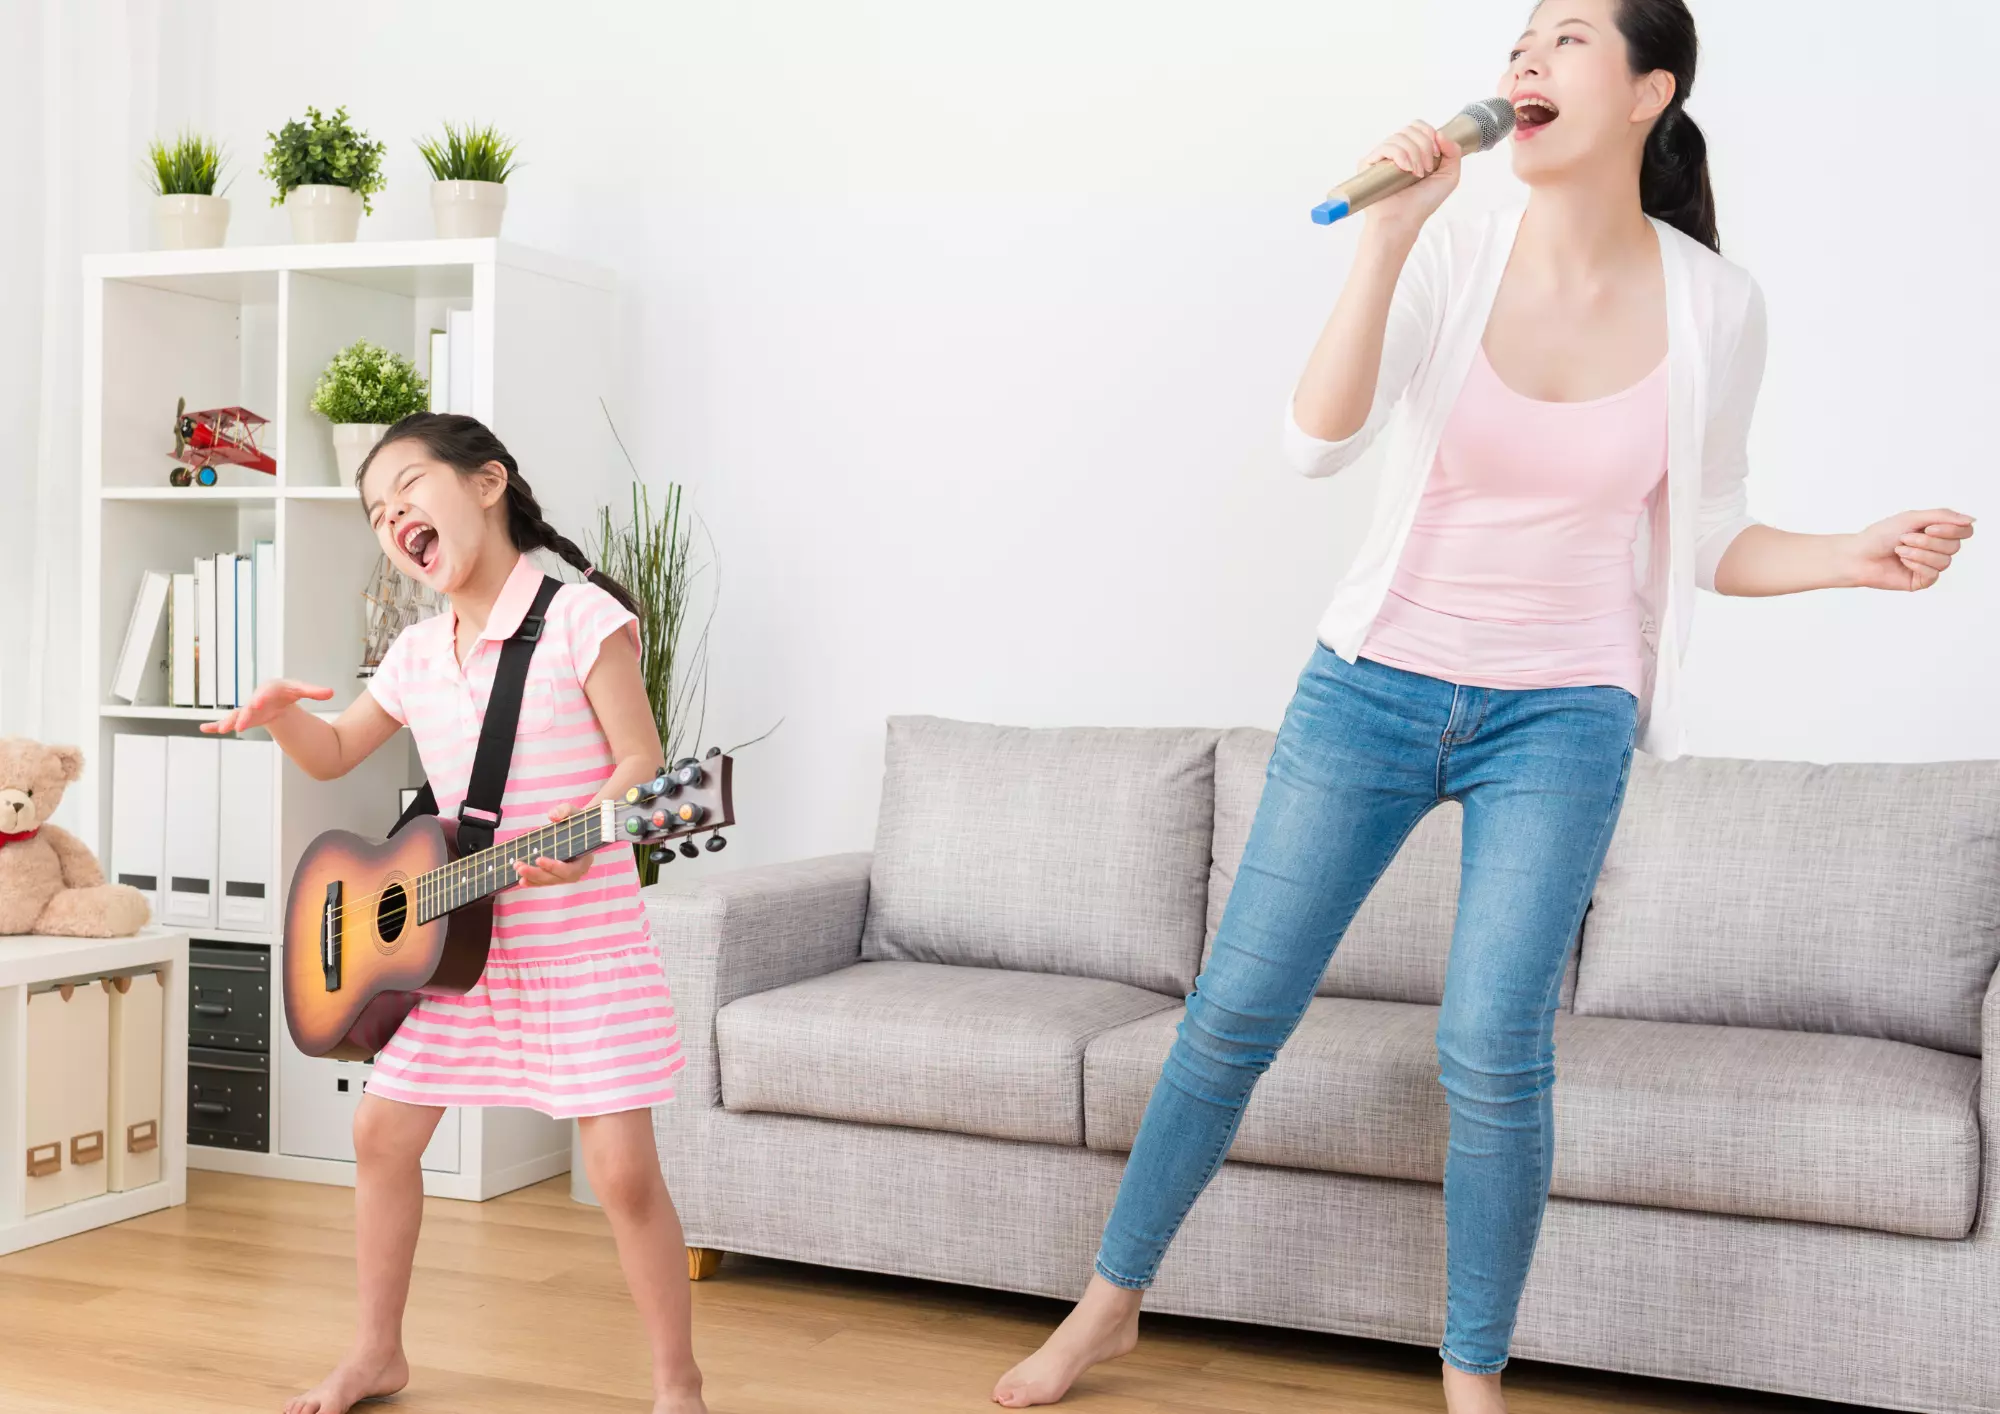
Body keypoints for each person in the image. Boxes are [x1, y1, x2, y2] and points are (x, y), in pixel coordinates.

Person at [993, 0, 1974, 1408]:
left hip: (1563, 712)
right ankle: (1108, 1306)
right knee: (1233, 1013)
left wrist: (1848, 556)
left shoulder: (1716, 305)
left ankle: (1472, 1380)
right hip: (1374, 685)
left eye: (1566, 39)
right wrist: (1388, 233)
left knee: (1489, 1046)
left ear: (1650, 92)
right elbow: (1314, 444)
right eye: (1520, 41)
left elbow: (1705, 531)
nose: (1525, 61)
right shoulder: (1451, 242)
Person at [203, 413, 707, 1414]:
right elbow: (339, 749)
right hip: (459, 955)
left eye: (406, 488)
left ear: (487, 483)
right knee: (382, 1133)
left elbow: (644, 766)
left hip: (579, 945)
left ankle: (676, 1382)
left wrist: (592, 821)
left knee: (620, 1174)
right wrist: (281, 719)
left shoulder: (579, 619)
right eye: (375, 511)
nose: (391, 516)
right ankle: (376, 1351)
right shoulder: (415, 651)